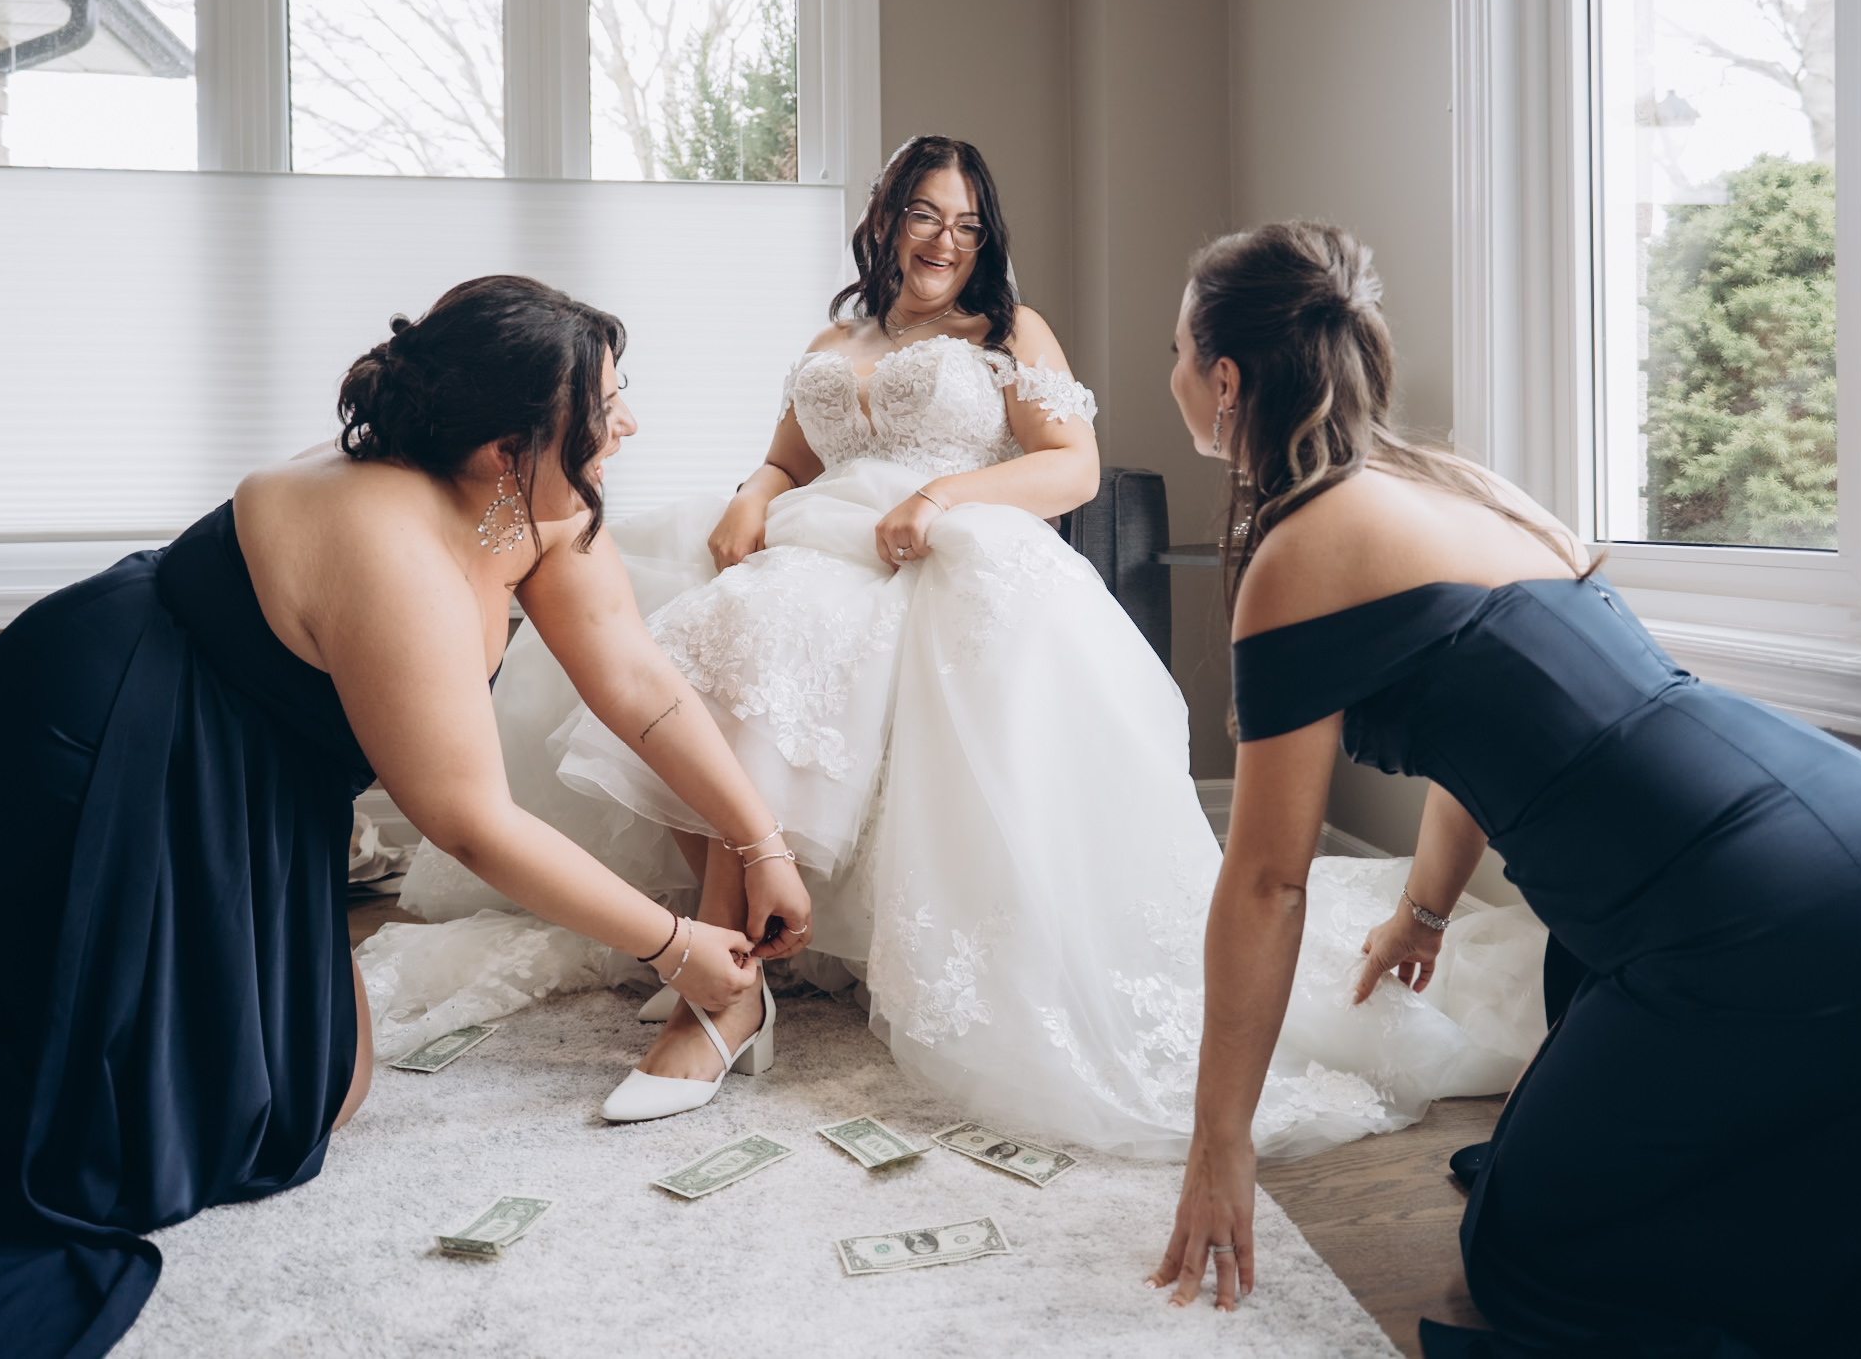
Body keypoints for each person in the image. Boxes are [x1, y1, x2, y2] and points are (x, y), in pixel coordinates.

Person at [0, 276, 810, 1359]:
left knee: (310, 1092)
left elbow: (637, 682)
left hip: (245, 750)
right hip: (93, 736)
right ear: (508, 447)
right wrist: (673, 946)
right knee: (220, 1126)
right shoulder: (391, 544)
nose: (629, 424)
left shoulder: (529, 504)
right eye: (607, 404)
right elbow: (470, 823)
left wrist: (758, 840)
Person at [1150, 221, 1861, 1353]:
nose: (1173, 378)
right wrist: (1423, 913)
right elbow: (1485, 738)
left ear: (1227, 379)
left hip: (1772, 927)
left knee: (1530, 1259)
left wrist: (1220, 1144)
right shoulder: (1458, 486)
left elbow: (1268, 881)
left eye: (1177, 354)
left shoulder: (1303, 549)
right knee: (1570, 1137)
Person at [411, 138, 1548, 1151]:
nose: (945, 240)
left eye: (966, 222)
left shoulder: (1008, 333)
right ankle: (742, 945)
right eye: (924, 214)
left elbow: (1072, 468)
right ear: (885, 219)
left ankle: (726, 986)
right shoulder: (833, 337)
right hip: (816, 535)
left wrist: (946, 494)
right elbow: (789, 458)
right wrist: (754, 492)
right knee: (698, 630)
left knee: (769, 632)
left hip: (933, 544)